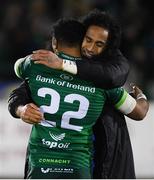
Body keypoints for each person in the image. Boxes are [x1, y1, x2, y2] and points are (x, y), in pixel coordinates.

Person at [8, 10, 147, 178]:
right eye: (88, 40)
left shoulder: (35, 66)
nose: (90, 48)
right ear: (82, 39)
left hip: (41, 166)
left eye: (99, 44)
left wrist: (36, 60)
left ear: (54, 42)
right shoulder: (103, 83)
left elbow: (18, 67)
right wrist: (141, 96)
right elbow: (139, 112)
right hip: (79, 167)